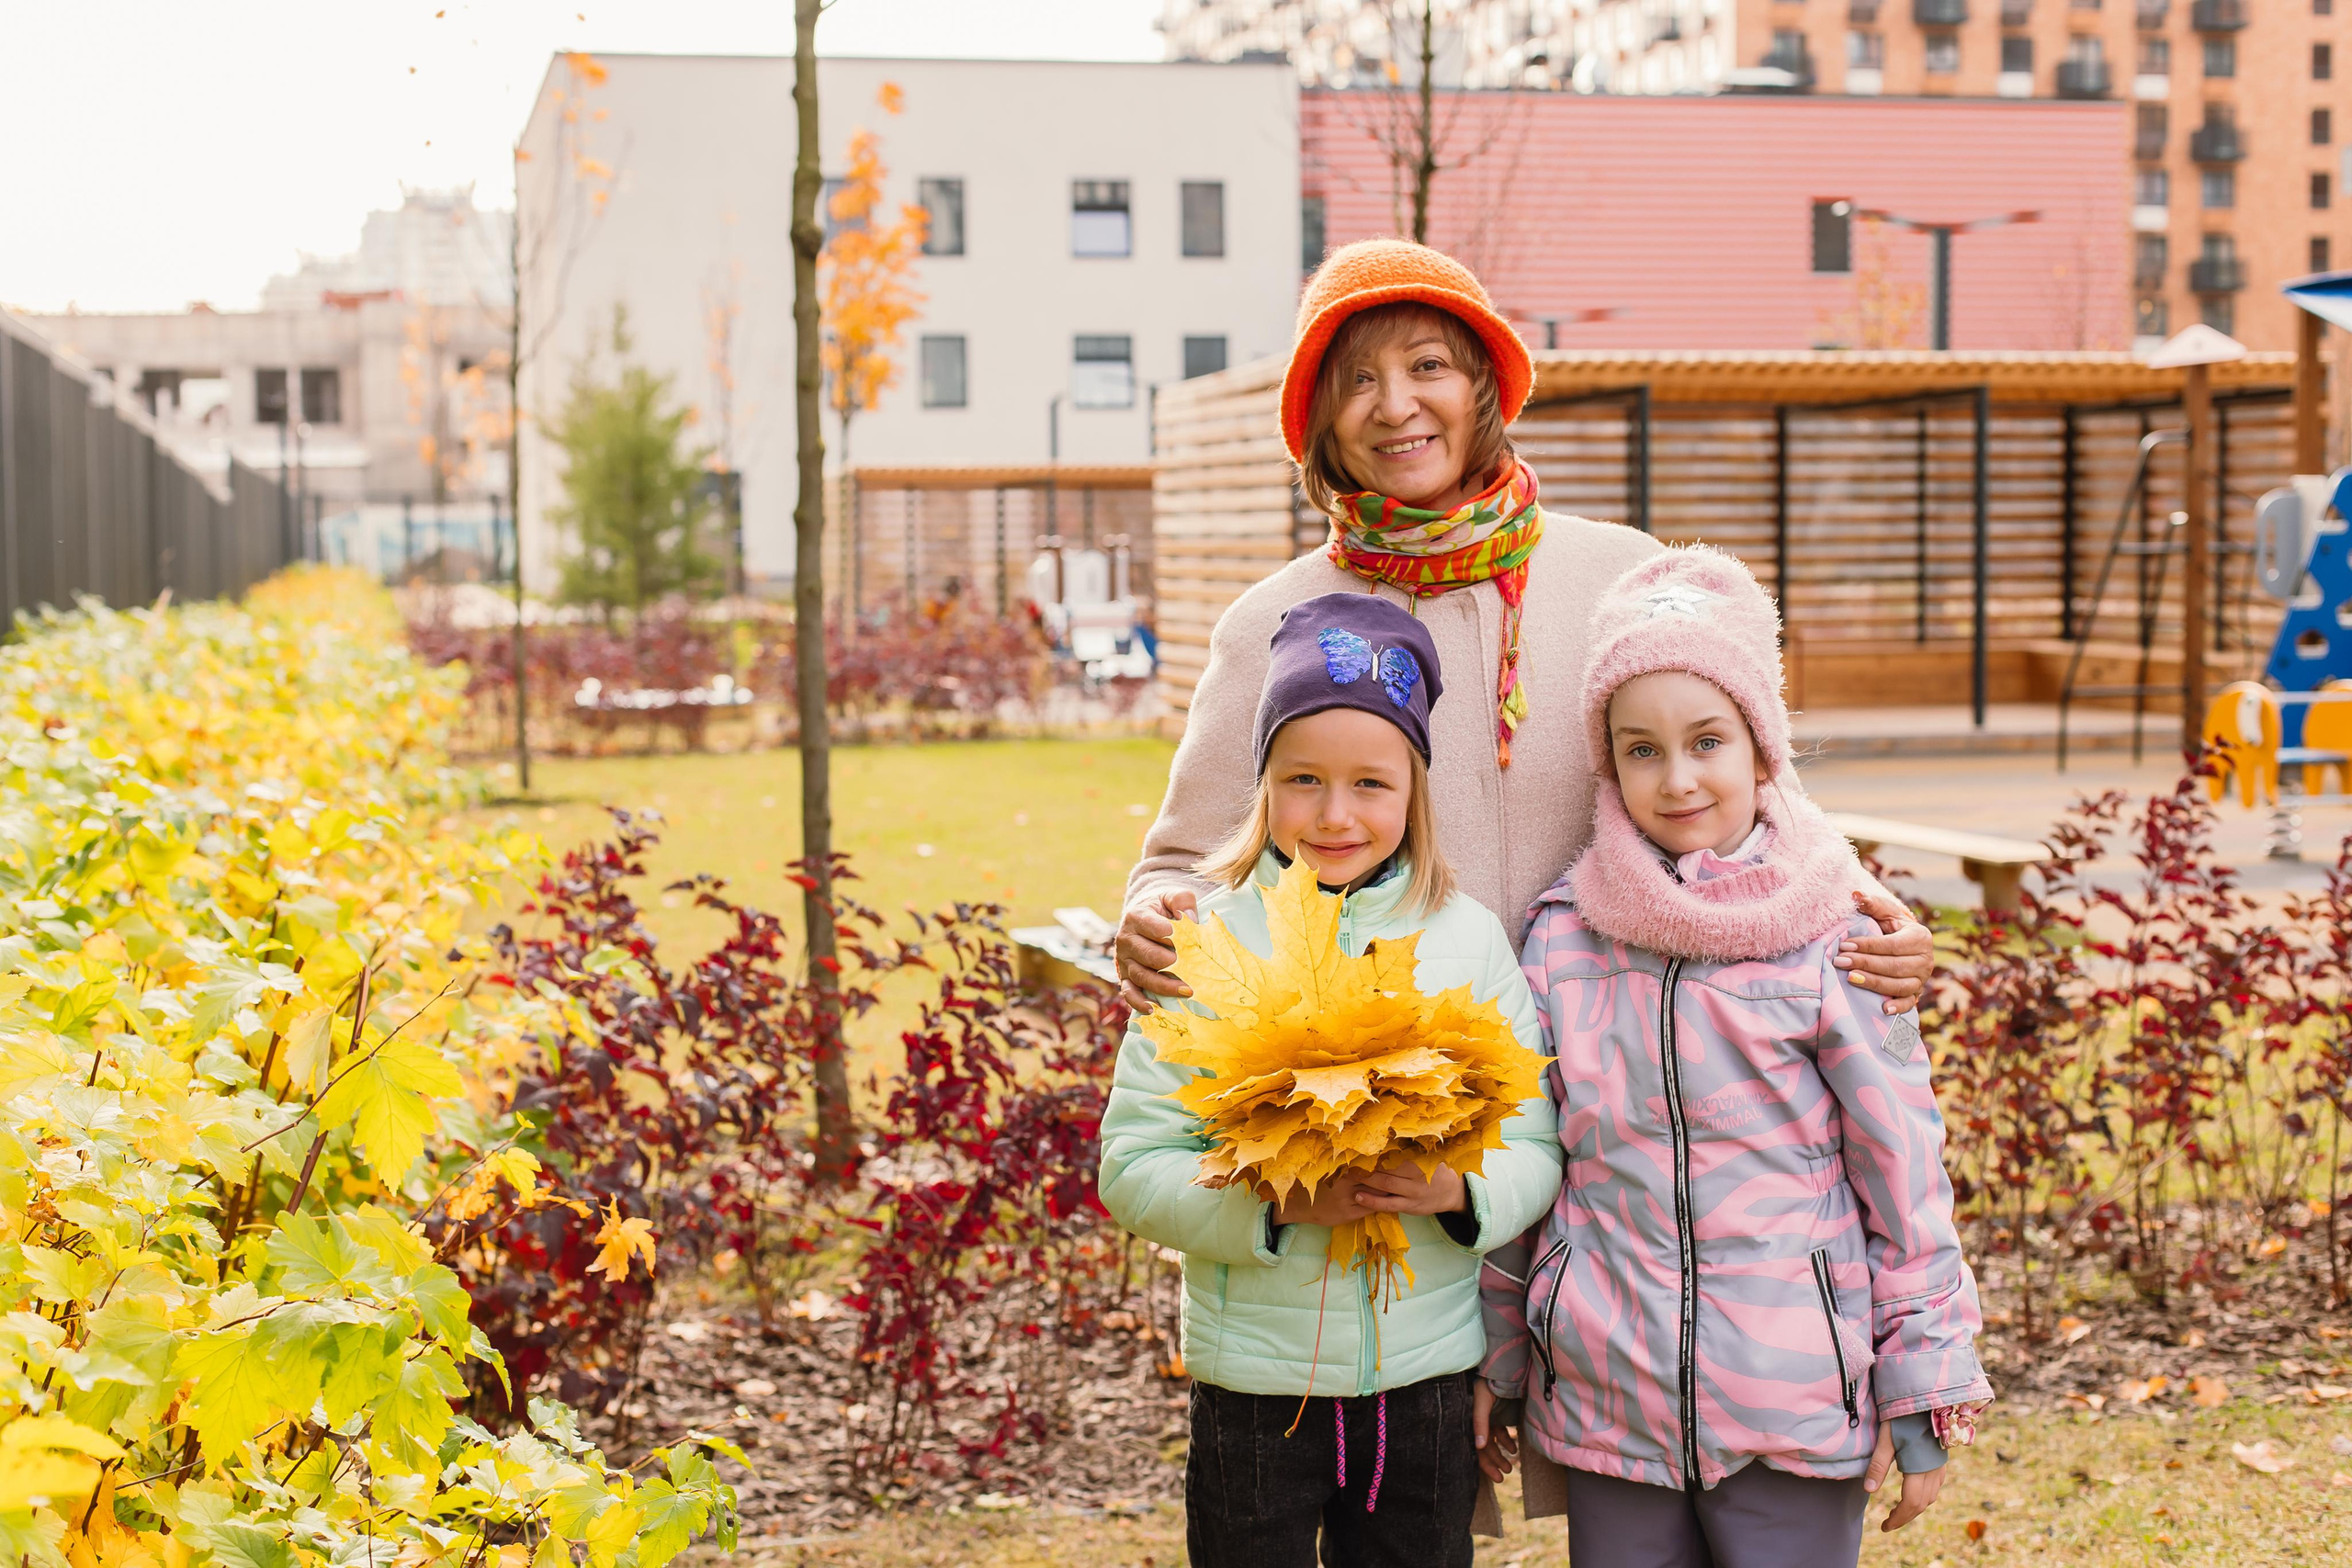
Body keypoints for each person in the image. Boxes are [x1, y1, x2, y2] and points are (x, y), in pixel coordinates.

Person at [1116, 238, 1931, 1024]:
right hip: (1404, 1102)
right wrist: (1155, 914)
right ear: (1321, 419)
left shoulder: (1626, 578)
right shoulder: (1271, 624)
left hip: (1629, 1076)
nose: (1396, 404)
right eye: (1357, 379)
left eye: (1427, 365)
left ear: (1482, 386)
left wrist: (1863, 901)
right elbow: (1183, 862)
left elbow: (1760, 796)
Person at [1473, 547, 1993, 1568]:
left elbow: (1902, 1173)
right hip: (1608, 1397)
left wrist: (1925, 1381)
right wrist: (1493, 1361)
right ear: (1607, 764)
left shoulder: (1837, 938)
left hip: (1792, 1397)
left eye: (1706, 741)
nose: (1676, 779)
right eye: (1639, 750)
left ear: (1762, 748)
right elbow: (1522, 1162)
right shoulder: (1560, 940)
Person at [1098, 593, 1563, 1568]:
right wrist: (1269, 1210)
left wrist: (1461, 1193)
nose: (1336, 813)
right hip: (1254, 1388)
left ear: (1413, 793)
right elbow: (1133, 1164)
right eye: (1302, 778)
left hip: (1425, 1378)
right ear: (1261, 782)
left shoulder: (1465, 940)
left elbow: (1533, 1140)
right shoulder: (1206, 944)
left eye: (1369, 783)